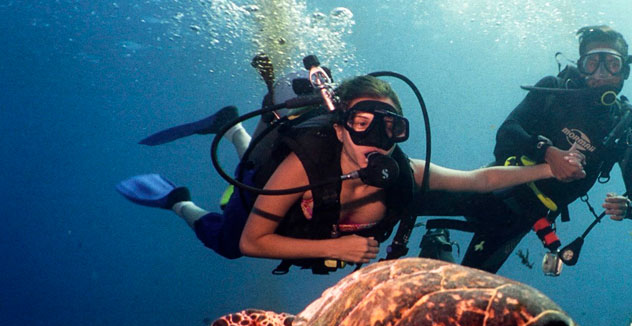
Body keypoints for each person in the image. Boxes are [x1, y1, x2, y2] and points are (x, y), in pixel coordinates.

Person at [117, 75, 584, 274]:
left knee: (254, 164)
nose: (375, 142)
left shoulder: (402, 172)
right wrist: (333, 247)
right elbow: (252, 243)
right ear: (340, 126)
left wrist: (546, 168)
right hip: (276, 207)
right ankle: (178, 199)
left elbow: (478, 180)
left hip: (306, 216)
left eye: (391, 128)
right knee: (225, 243)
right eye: (362, 124)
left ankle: (233, 124)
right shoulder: (304, 163)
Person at [417, 25, 632, 273]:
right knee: (404, 201)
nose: (601, 73)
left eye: (612, 64)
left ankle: (437, 248)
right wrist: (548, 153)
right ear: (581, 65)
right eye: (592, 62)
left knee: (469, 285)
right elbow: (507, 132)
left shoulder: (624, 131)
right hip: (491, 185)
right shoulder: (554, 89)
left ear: (625, 70)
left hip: (525, 217)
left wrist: (628, 207)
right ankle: (434, 244)